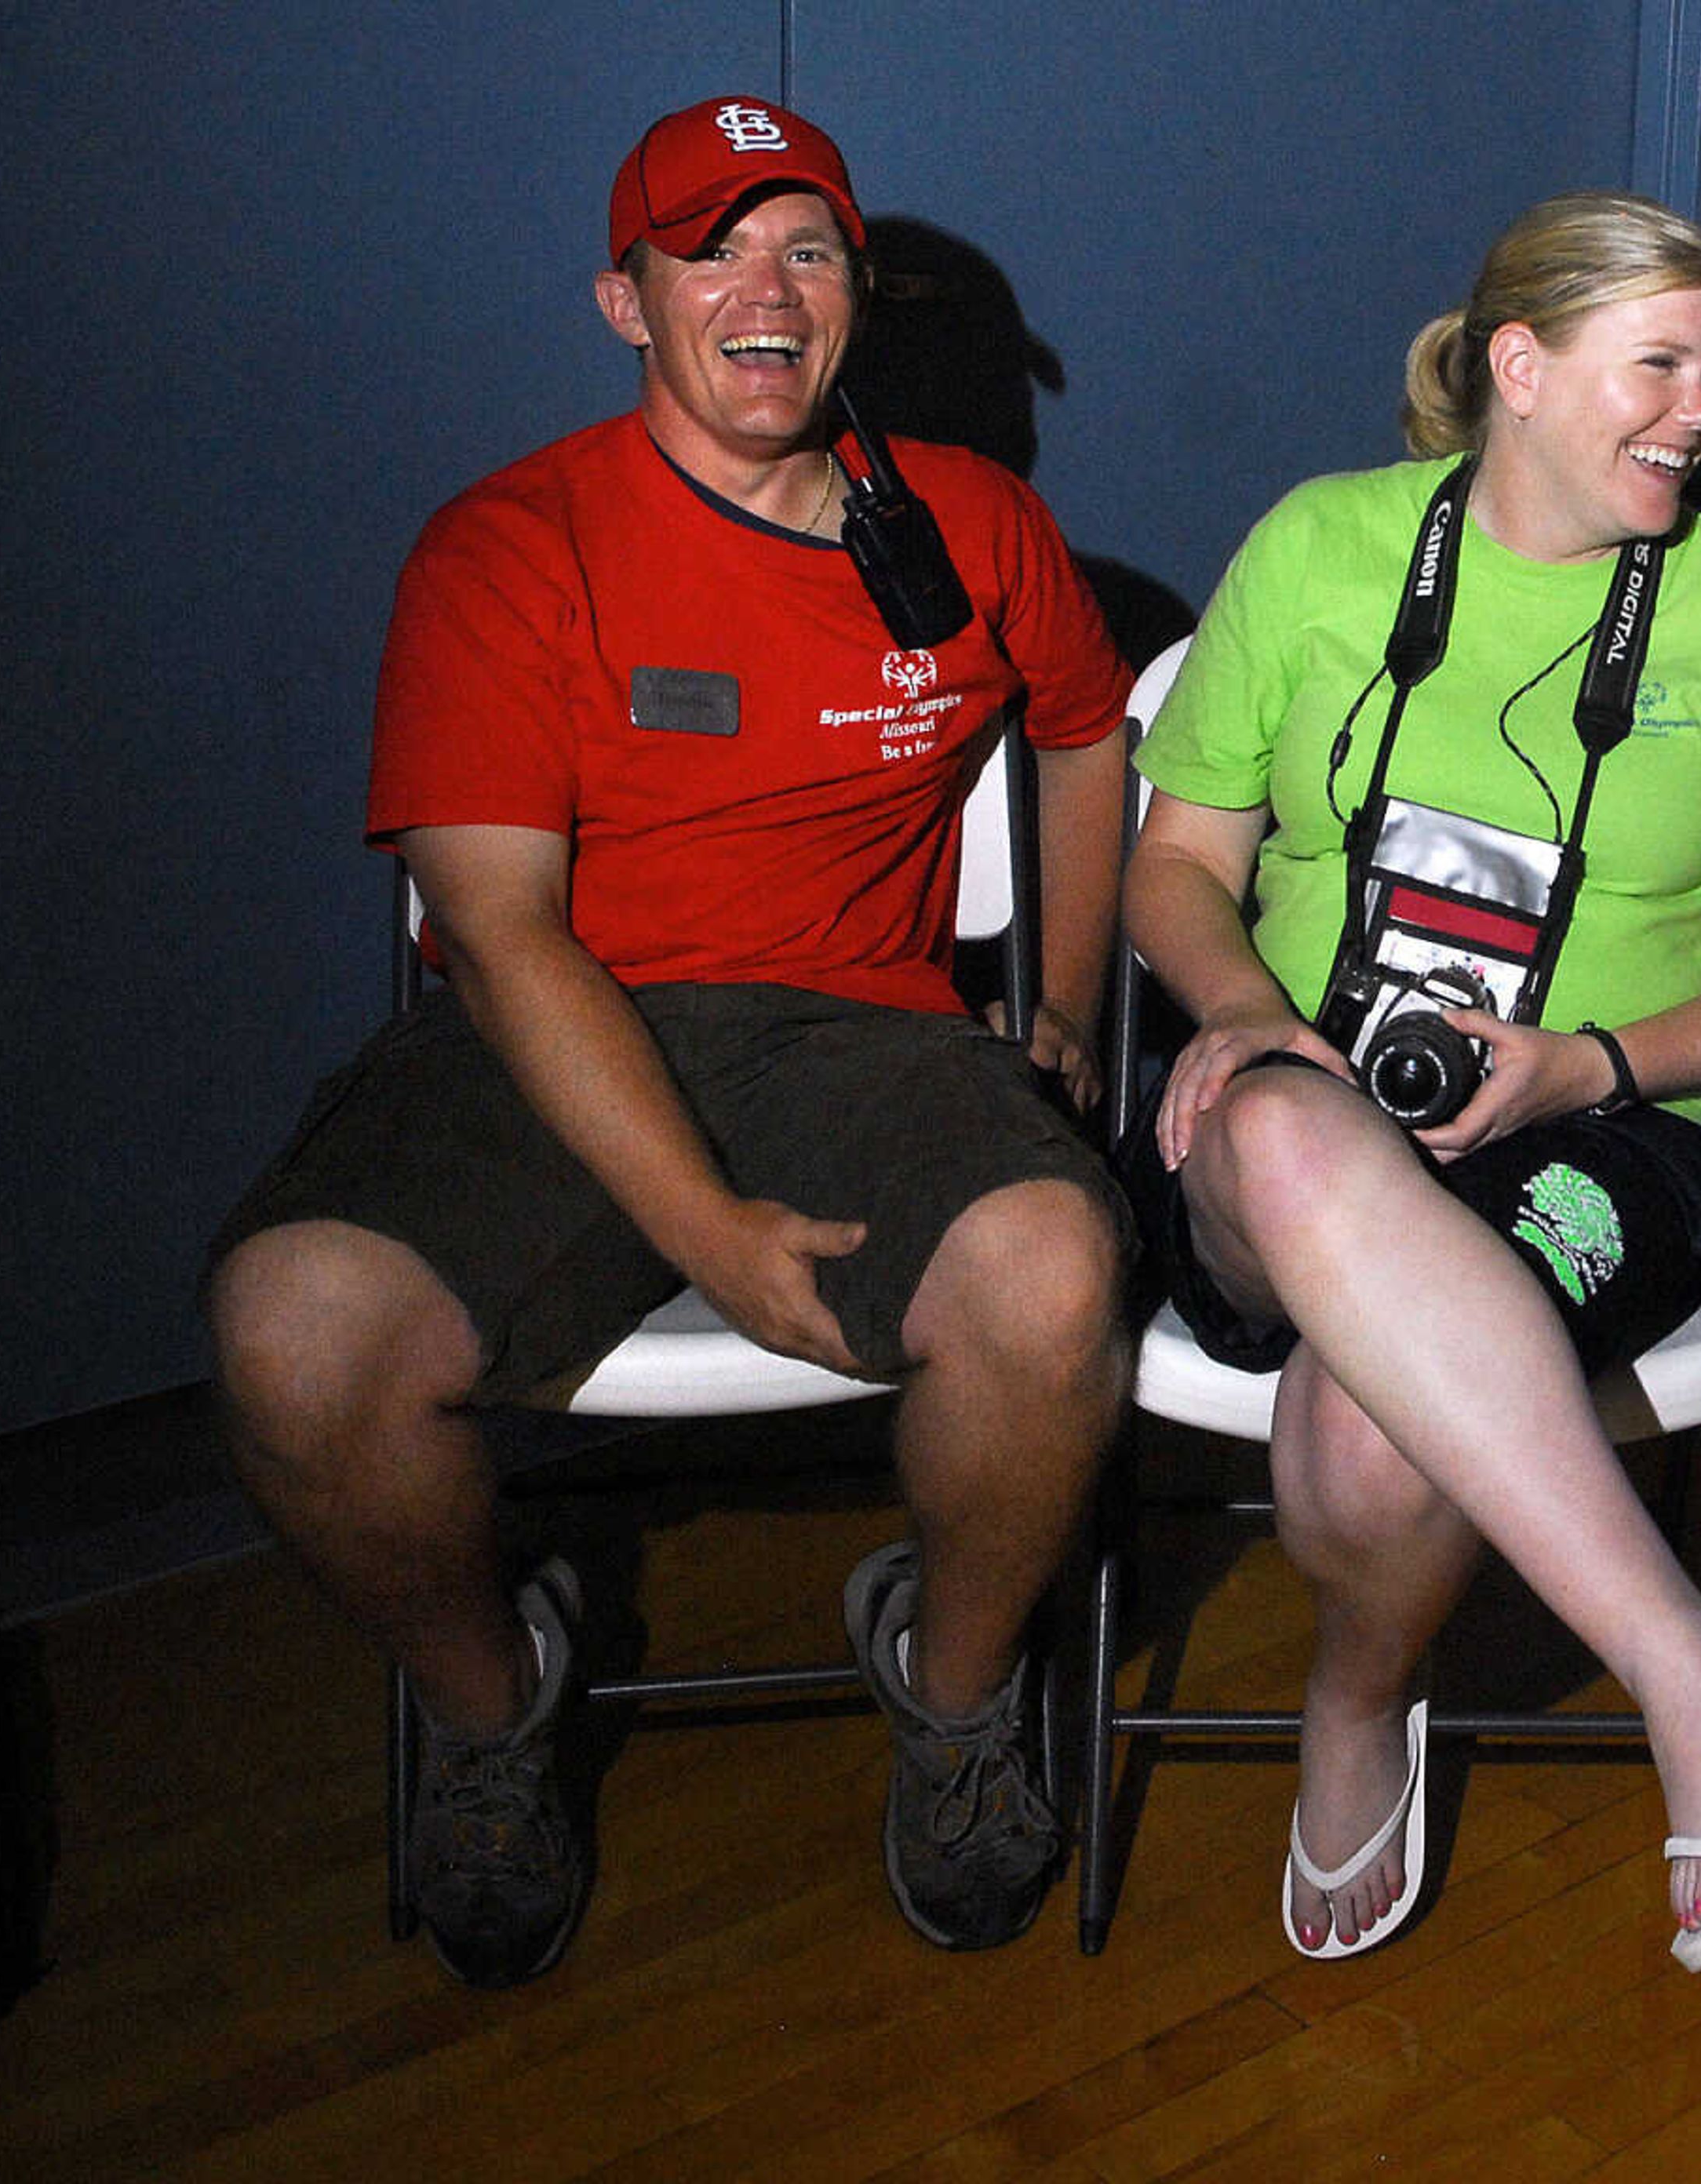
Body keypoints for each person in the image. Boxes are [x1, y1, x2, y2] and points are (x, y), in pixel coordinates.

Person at [203, 96, 1137, 1986]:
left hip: (857, 1032)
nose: (766, 291)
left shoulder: (967, 517)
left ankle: (950, 1699)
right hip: (548, 1037)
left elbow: (1088, 735)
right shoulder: (509, 543)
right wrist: (710, 1227)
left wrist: (1058, 1005)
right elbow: (501, 930)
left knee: (1057, 1273)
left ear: (853, 294)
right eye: (711, 249)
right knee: (292, 1335)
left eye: (807, 250)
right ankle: (492, 1707)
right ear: (627, 302)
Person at [1123, 191, 1701, 1964]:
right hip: (1284, 1113)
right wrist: (1243, 1014)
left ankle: (1355, 1691)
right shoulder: (1322, 547)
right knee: (1298, 1146)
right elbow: (1173, 866)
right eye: (1662, 367)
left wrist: (1582, 1064)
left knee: (1375, 1439)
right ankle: (1694, 1663)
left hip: (1608, 1130)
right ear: (1520, 370)